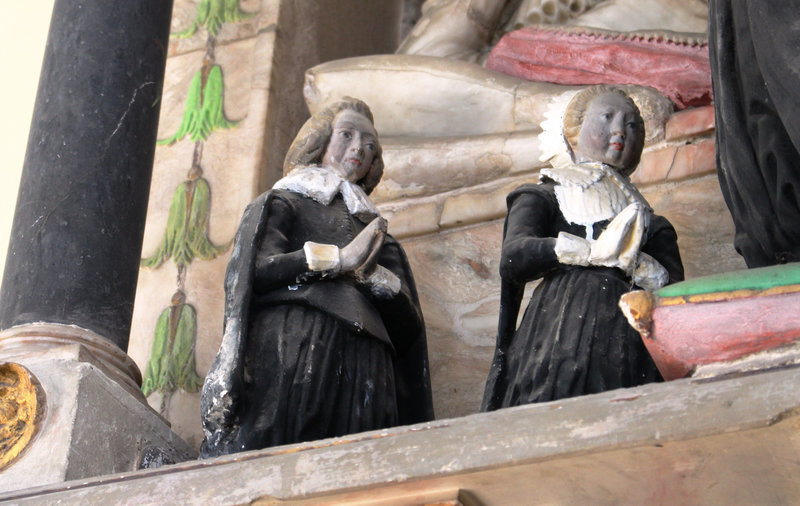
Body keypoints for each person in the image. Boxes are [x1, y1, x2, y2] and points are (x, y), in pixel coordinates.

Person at [200, 97, 433, 457]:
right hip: (299, 340)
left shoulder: (376, 231)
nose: (358, 148)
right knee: (281, 449)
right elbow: (253, 271)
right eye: (346, 135)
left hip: (369, 358)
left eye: (370, 146)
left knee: (359, 463)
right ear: (319, 140)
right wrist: (336, 259)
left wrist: (377, 281)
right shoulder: (286, 201)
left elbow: (409, 328)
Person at [482, 86, 684, 411]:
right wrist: (589, 253)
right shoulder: (547, 194)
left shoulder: (651, 221)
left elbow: (676, 295)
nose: (620, 130)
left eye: (633, 125)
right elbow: (515, 256)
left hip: (630, 331)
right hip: (561, 327)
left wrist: (639, 265)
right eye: (607, 118)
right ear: (573, 132)